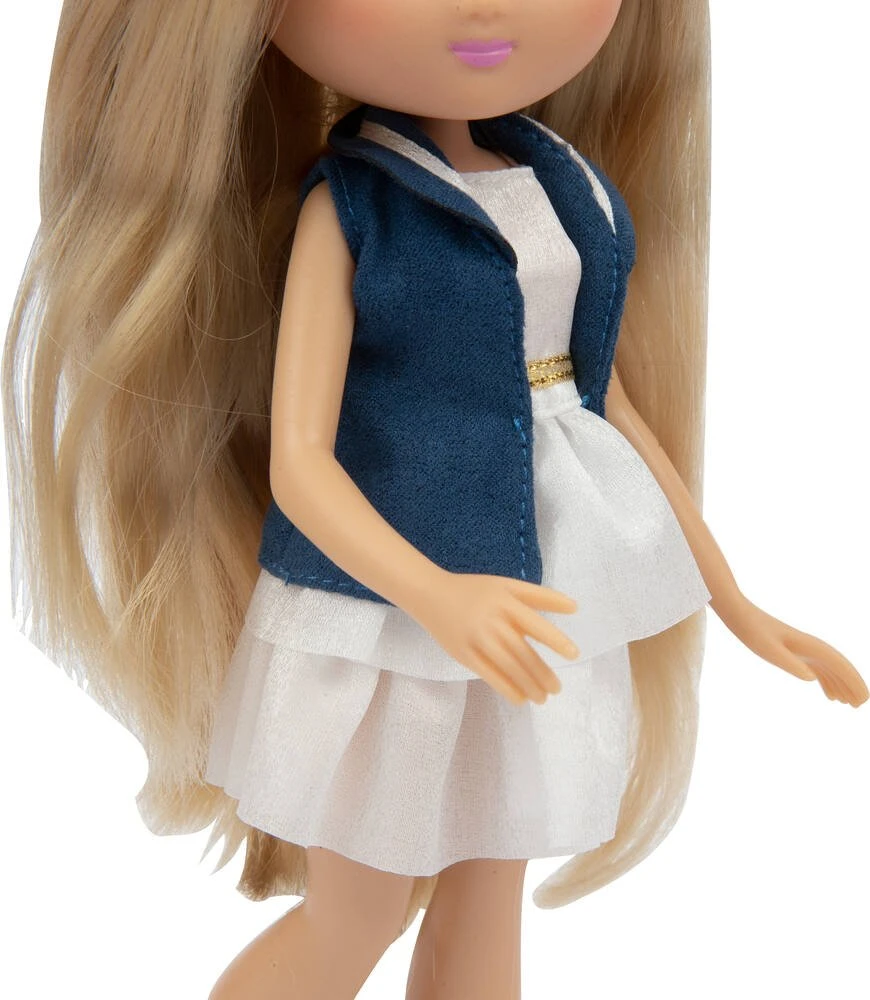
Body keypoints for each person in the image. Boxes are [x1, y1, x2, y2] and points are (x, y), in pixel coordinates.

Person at [3, 3, 865, 998]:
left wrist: (739, 603)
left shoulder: (565, 183)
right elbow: (301, 467)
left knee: (486, 908)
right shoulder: (352, 207)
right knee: (357, 913)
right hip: (389, 626)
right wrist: (438, 596)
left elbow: (610, 409)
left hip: (533, 608)